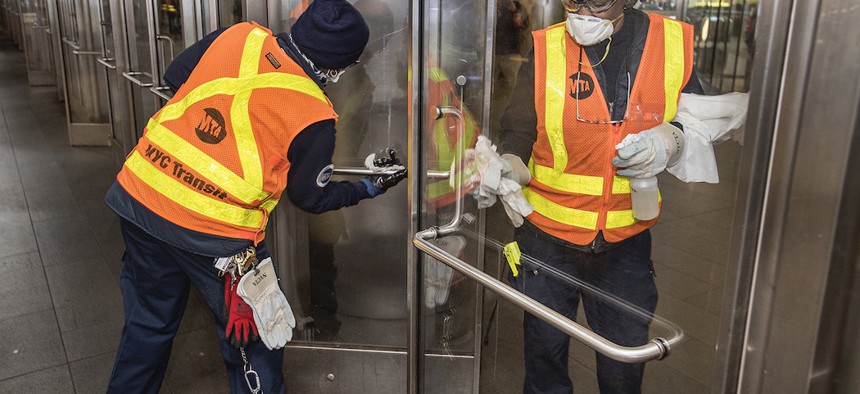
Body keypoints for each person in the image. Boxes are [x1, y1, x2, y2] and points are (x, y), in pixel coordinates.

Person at [103, 0, 406, 392]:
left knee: (147, 327)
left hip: (142, 194)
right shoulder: (314, 113)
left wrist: (216, 135)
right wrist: (369, 185)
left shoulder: (240, 34)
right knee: (257, 341)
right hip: (218, 237)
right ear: (338, 67)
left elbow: (175, 74)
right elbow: (310, 198)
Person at [497, 0, 704, 393]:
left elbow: (701, 121)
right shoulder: (545, 47)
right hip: (546, 239)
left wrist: (671, 139)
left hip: (624, 242)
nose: (583, 15)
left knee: (622, 366)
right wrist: (508, 165)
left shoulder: (671, 42)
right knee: (544, 362)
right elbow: (519, 130)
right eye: (573, 1)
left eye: (598, 3)